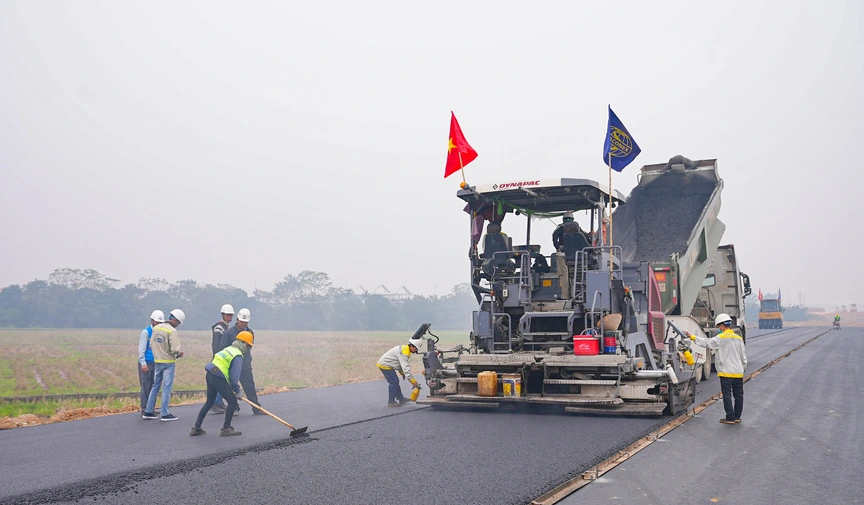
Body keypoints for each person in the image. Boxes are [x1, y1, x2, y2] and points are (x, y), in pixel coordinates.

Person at [190, 331, 254, 437]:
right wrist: (237, 390)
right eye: (248, 346)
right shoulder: (237, 355)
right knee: (232, 402)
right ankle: (226, 428)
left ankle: (196, 428)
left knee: (209, 402)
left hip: (210, 374)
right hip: (219, 377)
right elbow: (234, 377)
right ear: (243, 343)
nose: (248, 348)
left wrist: (233, 388)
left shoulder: (228, 349)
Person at [689, 313, 747, 424]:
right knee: (739, 395)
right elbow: (743, 357)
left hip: (726, 373)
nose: (718, 329)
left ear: (721, 326)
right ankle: (737, 416)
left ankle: (730, 417)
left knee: (727, 395)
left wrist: (692, 337)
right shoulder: (739, 338)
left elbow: (706, 343)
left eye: (718, 326)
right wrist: (743, 368)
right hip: (738, 372)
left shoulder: (720, 338)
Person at [142, 309, 186, 421]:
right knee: (166, 387)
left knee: (155, 386)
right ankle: (165, 413)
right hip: (168, 363)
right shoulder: (172, 331)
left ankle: (148, 411)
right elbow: (175, 349)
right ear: (176, 320)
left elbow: (151, 345)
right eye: (178, 323)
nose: (178, 325)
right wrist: (178, 354)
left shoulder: (156, 328)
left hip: (157, 361)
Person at [219, 308, 263, 415]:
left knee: (250, 387)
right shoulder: (228, 333)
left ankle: (256, 408)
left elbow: (249, 347)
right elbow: (222, 349)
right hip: (231, 366)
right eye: (242, 321)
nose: (243, 324)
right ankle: (234, 408)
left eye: (246, 322)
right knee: (231, 389)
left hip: (245, 365)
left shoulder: (250, 332)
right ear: (237, 319)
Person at [376, 336, 423, 407]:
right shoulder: (404, 353)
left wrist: (402, 373)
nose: (416, 351)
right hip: (385, 365)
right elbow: (406, 368)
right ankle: (391, 402)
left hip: (388, 364)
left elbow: (399, 363)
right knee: (394, 382)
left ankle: (401, 399)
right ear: (412, 346)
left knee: (395, 381)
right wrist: (413, 381)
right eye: (416, 349)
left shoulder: (405, 349)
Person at [209, 304, 235, 415]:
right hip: (219, 359)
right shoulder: (219, 327)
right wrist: (218, 356)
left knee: (223, 380)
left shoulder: (225, 327)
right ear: (223, 315)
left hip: (223, 358)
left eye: (231, 315)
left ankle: (219, 402)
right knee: (219, 381)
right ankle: (216, 403)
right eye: (228, 315)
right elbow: (216, 343)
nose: (230, 317)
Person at [137, 310, 164, 413]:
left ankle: (151, 408)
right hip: (147, 363)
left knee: (154, 386)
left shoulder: (160, 332)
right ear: (152, 321)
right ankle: (145, 409)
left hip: (156, 362)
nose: (158, 324)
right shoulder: (146, 332)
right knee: (145, 386)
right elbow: (141, 349)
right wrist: (143, 363)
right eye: (157, 322)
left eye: (160, 322)